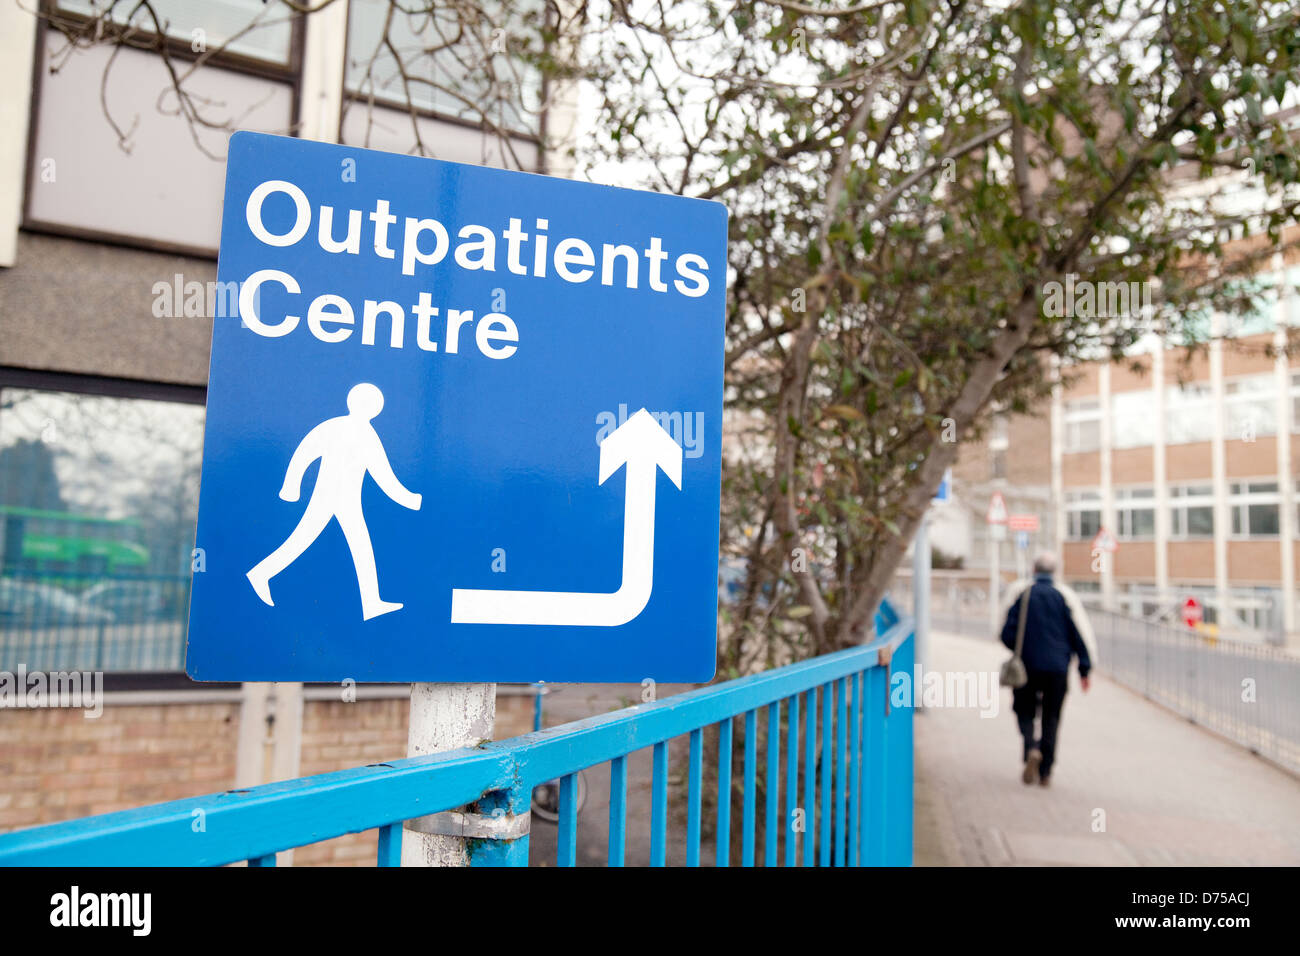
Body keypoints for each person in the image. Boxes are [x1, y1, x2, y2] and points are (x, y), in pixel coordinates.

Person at [246, 383, 421, 621]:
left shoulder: (355, 432)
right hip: (328, 497)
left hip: (346, 500)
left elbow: (383, 474)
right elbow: (305, 453)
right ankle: (260, 574)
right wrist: (291, 487)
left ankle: (371, 603)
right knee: (305, 540)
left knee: (355, 545)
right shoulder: (345, 430)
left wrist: (409, 499)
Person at [999, 551, 1094, 787]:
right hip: (1057, 669)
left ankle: (1031, 746)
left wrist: (1019, 650)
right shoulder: (1063, 597)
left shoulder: (1024, 595)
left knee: (1024, 711)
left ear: (1033, 570)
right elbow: (1077, 635)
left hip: (1027, 666)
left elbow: (1006, 633)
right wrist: (1084, 669)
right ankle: (1045, 771)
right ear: (1054, 572)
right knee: (1052, 717)